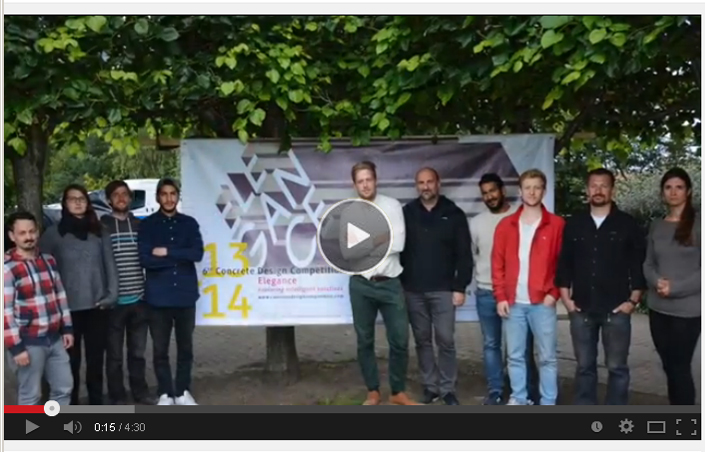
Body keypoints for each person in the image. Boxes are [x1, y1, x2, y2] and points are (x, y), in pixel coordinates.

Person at [555, 168, 646, 405]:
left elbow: (638, 264)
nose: (598, 190)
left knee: (617, 368)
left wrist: (633, 301)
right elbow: (565, 262)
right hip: (581, 308)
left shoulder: (627, 224)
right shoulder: (574, 223)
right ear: (587, 190)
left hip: (616, 308)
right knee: (584, 366)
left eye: (604, 185)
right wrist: (566, 300)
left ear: (612, 190)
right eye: (594, 185)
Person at [341, 161, 417, 405]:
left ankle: (397, 392)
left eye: (368, 179)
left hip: (390, 282)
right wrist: (381, 237)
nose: (365, 185)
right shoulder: (349, 211)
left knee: (400, 339)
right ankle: (372, 391)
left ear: (375, 180)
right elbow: (349, 252)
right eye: (360, 181)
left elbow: (399, 244)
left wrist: (365, 241)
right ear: (354, 184)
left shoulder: (392, 206)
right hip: (361, 284)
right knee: (364, 340)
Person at [40, 184, 118, 405]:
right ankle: (72, 407)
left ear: (88, 203)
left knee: (95, 362)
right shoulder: (53, 234)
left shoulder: (99, 231)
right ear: (64, 203)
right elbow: (44, 271)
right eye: (72, 199)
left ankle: (96, 404)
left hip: (97, 306)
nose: (77, 202)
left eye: (81, 198)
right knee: (70, 363)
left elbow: (110, 265)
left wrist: (111, 296)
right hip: (67, 312)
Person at [491, 169, 564, 405]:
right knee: (515, 356)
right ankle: (519, 398)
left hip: (543, 302)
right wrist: (500, 296)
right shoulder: (506, 225)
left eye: (537, 187)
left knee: (547, 358)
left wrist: (554, 293)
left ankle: (548, 401)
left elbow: (563, 263)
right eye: (528, 187)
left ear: (544, 191)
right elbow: (497, 264)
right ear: (520, 191)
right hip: (513, 303)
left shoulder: (556, 225)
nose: (532, 192)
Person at [400, 167, 472, 405]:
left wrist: (460, 287)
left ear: (438, 183)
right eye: (421, 183)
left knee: (446, 340)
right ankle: (430, 387)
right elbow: (398, 251)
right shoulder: (406, 213)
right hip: (413, 290)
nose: (426, 186)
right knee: (422, 340)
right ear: (416, 186)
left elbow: (464, 255)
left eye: (430, 182)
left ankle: (448, 388)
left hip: (444, 290)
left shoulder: (454, 213)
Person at [470, 173, 539, 405]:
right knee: (491, 345)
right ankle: (496, 392)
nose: (489, 196)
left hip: (516, 294)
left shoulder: (521, 216)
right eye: (485, 193)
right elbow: (474, 255)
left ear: (503, 191)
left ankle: (528, 392)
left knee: (522, 347)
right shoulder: (476, 223)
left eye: (493, 191)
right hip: (486, 293)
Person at [138, 178, 204, 405]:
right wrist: (180, 256)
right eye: (164, 194)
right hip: (158, 298)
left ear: (178, 196)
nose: (168, 198)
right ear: (157, 197)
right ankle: (165, 392)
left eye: (172, 194)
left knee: (186, 348)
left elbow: (197, 254)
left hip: (185, 296)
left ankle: (183, 391)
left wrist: (166, 251)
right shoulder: (147, 225)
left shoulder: (189, 224)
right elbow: (146, 260)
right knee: (160, 349)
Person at [4, 211, 74, 405]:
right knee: (30, 395)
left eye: (32, 231)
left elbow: (60, 295)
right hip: (28, 342)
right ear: (12, 236)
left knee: (64, 387)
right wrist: (16, 348)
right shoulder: (7, 268)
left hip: (54, 338)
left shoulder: (48, 260)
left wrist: (67, 328)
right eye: (22, 233)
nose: (28, 237)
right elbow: (5, 312)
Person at [644, 167, 701, 405]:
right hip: (658, 309)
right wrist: (656, 281)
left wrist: (675, 288)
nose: (673, 192)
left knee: (679, 366)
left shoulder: (699, 224)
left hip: (687, 311)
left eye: (679, 187)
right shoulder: (657, 225)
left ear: (688, 191)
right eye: (668, 187)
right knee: (669, 365)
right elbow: (648, 263)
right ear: (662, 192)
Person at [102, 180, 154, 405]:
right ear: (108, 200)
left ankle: (140, 392)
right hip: (114, 303)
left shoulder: (140, 225)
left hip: (139, 299)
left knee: (138, 353)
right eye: (116, 195)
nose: (121, 198)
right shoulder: (102, 227)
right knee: (114, 356)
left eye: (125, 194)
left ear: (131, 198)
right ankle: (117, 396)